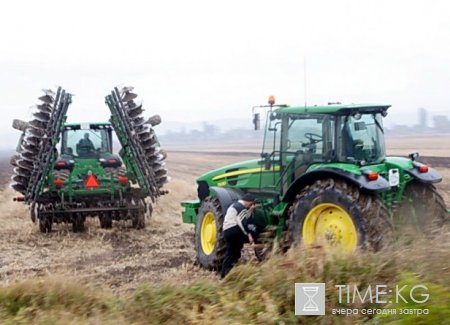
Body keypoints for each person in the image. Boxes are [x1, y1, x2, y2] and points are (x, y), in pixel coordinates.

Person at [220, 193, 259, 279]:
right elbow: (243, 223)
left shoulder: (234, 206)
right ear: (247, 201)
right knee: (232, 253)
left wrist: (250, 211)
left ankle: (226, 275)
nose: (251, 206)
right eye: (251, 204)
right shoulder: (240, 207)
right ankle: (224, 275)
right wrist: (249, 235)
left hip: (227, 231)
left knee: (234, 253)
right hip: (233, 230)